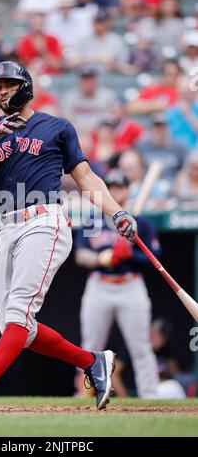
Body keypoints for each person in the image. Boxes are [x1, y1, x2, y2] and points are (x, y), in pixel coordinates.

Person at [0, 60, 138, 411]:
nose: (3, 91)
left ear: (25, 86)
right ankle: (92, 362)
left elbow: (86, 179)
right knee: (18, 328)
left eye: (8, 84)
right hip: (7, 227)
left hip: (44, 221)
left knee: (18, 316)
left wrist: (117, 211)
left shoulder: (56, 127)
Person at [74, 168, 160, 398]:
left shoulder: (141, 223)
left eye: (119, 187)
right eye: (110, 187)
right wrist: (107, 256)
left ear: (127, 190)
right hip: (99, 285)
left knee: (141, 347)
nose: (115, 191)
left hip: (131, 286)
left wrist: (130, 254)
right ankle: (83, 394)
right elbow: (81, 256)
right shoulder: (93, 220)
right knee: (90, 345)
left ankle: (150, 396)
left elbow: (153, 260)